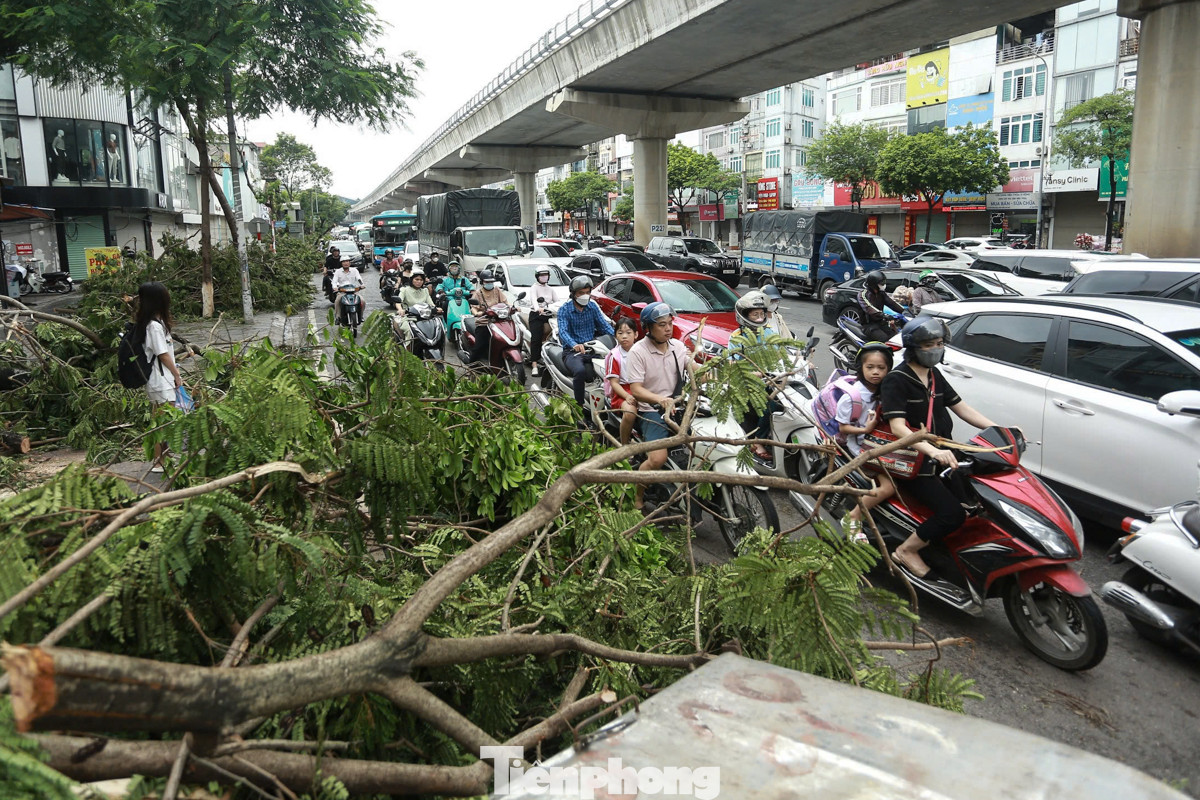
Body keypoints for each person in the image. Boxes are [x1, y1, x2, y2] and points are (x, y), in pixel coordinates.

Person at [880, 316, 998, 577]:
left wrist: (1000, 430)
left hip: (944, 455)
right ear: (913, 347)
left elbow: (962, 408)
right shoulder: (896, 379)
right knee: (952, 513)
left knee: (975, 502)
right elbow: (898, 427)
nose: (936, 348)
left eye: (939, 343)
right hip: (914, 461)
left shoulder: (934, 375)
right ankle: (906, 550)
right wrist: (932, 451)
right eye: (929, 344)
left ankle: (943, 549)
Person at [625, 302, 693, 511]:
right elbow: (636, 389)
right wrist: (659, 400)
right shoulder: (638, 351)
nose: (668, 329)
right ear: (648, 328)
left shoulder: (677, 347)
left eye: (670, 324)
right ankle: (638, 494)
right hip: (651, 411)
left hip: (678, 407)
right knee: (657, 458)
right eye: (661, 325)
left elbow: (694, 368)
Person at [837, 343, 896, 544]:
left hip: (881, 444)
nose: (876, 372)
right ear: (861, 367)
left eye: (881, 368)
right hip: (863, 449)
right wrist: (865, 430)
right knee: (889, 487)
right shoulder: (853, 397)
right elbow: (843, 427)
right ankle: (854, 516)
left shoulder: (888, 391)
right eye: (870, 367)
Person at [137, 281, 185, 472]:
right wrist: (176, 374)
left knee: (166, 421)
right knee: (161, 423)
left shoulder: (157, 323)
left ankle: (165, 455)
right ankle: (158, 461)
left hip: (164, 380)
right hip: (160, 381)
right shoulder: (153, 327)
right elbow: (162, 354)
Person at [556, 275, 615, 412]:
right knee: (580, 371)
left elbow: (603, 326)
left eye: (587, 292)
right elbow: (563, 332)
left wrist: (618, 336)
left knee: (611, 368)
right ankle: (579, 405)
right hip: (572, 352)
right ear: (573, 294)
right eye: (581, 293)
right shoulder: (564, 310)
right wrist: (574, 344)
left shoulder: (592, 307)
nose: (585, 296)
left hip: (593, 348)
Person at [732, 291, 779, 461]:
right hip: (748, 384)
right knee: (771, 404)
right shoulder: (737, 337)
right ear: (745, 316)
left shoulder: (769, 333)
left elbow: (781, 354)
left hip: (772, 379)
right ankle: (757, 439)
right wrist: (755, 373)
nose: (759, 318)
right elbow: (734, 364)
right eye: (755, 315)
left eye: (761, 314)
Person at [604, 318, 639, 444]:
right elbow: (614, 383)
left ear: (636, 334)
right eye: (620, 333)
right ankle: (624, 444)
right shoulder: (615, 356)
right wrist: (627, 396)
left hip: (641, 388)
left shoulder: (641, 351)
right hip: (622, 392)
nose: (624, 336)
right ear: (615, 336)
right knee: (630, 412)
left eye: (628, 333)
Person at [467, 267, 510, 364]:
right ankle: (470, 365)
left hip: (498, 321)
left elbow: (505, 302)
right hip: (484, 322)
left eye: (491, 281)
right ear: (482, 282)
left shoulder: (496, 290)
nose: (490, 284)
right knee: (479, 346)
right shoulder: (478, 293)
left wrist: (512, 308)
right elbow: (474, 307)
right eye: (487, 282)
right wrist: (477, 313)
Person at [858, 270, 906, 343]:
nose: (884, 285)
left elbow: (892, 303)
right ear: (874, 284)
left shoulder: (881, 294)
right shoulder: (863, 294)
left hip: (881, 323)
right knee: (884, 340)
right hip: (869, 326)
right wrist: (883, 315)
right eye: (881, 283)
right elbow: (868, 308)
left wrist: (905, 312)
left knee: (895, 339)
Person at [527, 264, 557, 378]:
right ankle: (534, 364)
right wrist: (538, 308)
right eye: (542, 275)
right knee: (536, 338)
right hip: (536, 315)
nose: (544, 277)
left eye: (546, 275)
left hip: (549, 314)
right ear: (537, 276)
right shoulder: (534, 287)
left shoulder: (550, 289)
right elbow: (534, 300)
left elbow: (557, 301)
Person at [332, 256, 365, 323]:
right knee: (337, 301)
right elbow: (334, 281)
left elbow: (359, 278)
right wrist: (335, 287)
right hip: (342, 291)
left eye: (347, 261)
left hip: (354, 291)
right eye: (344, 262)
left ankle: (361, 316)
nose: (346, 263)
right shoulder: (338, 272)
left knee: (362, 301)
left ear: (349, 263)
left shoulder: (354, 270)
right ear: (341, 263)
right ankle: (338, 317)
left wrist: (362, 285)